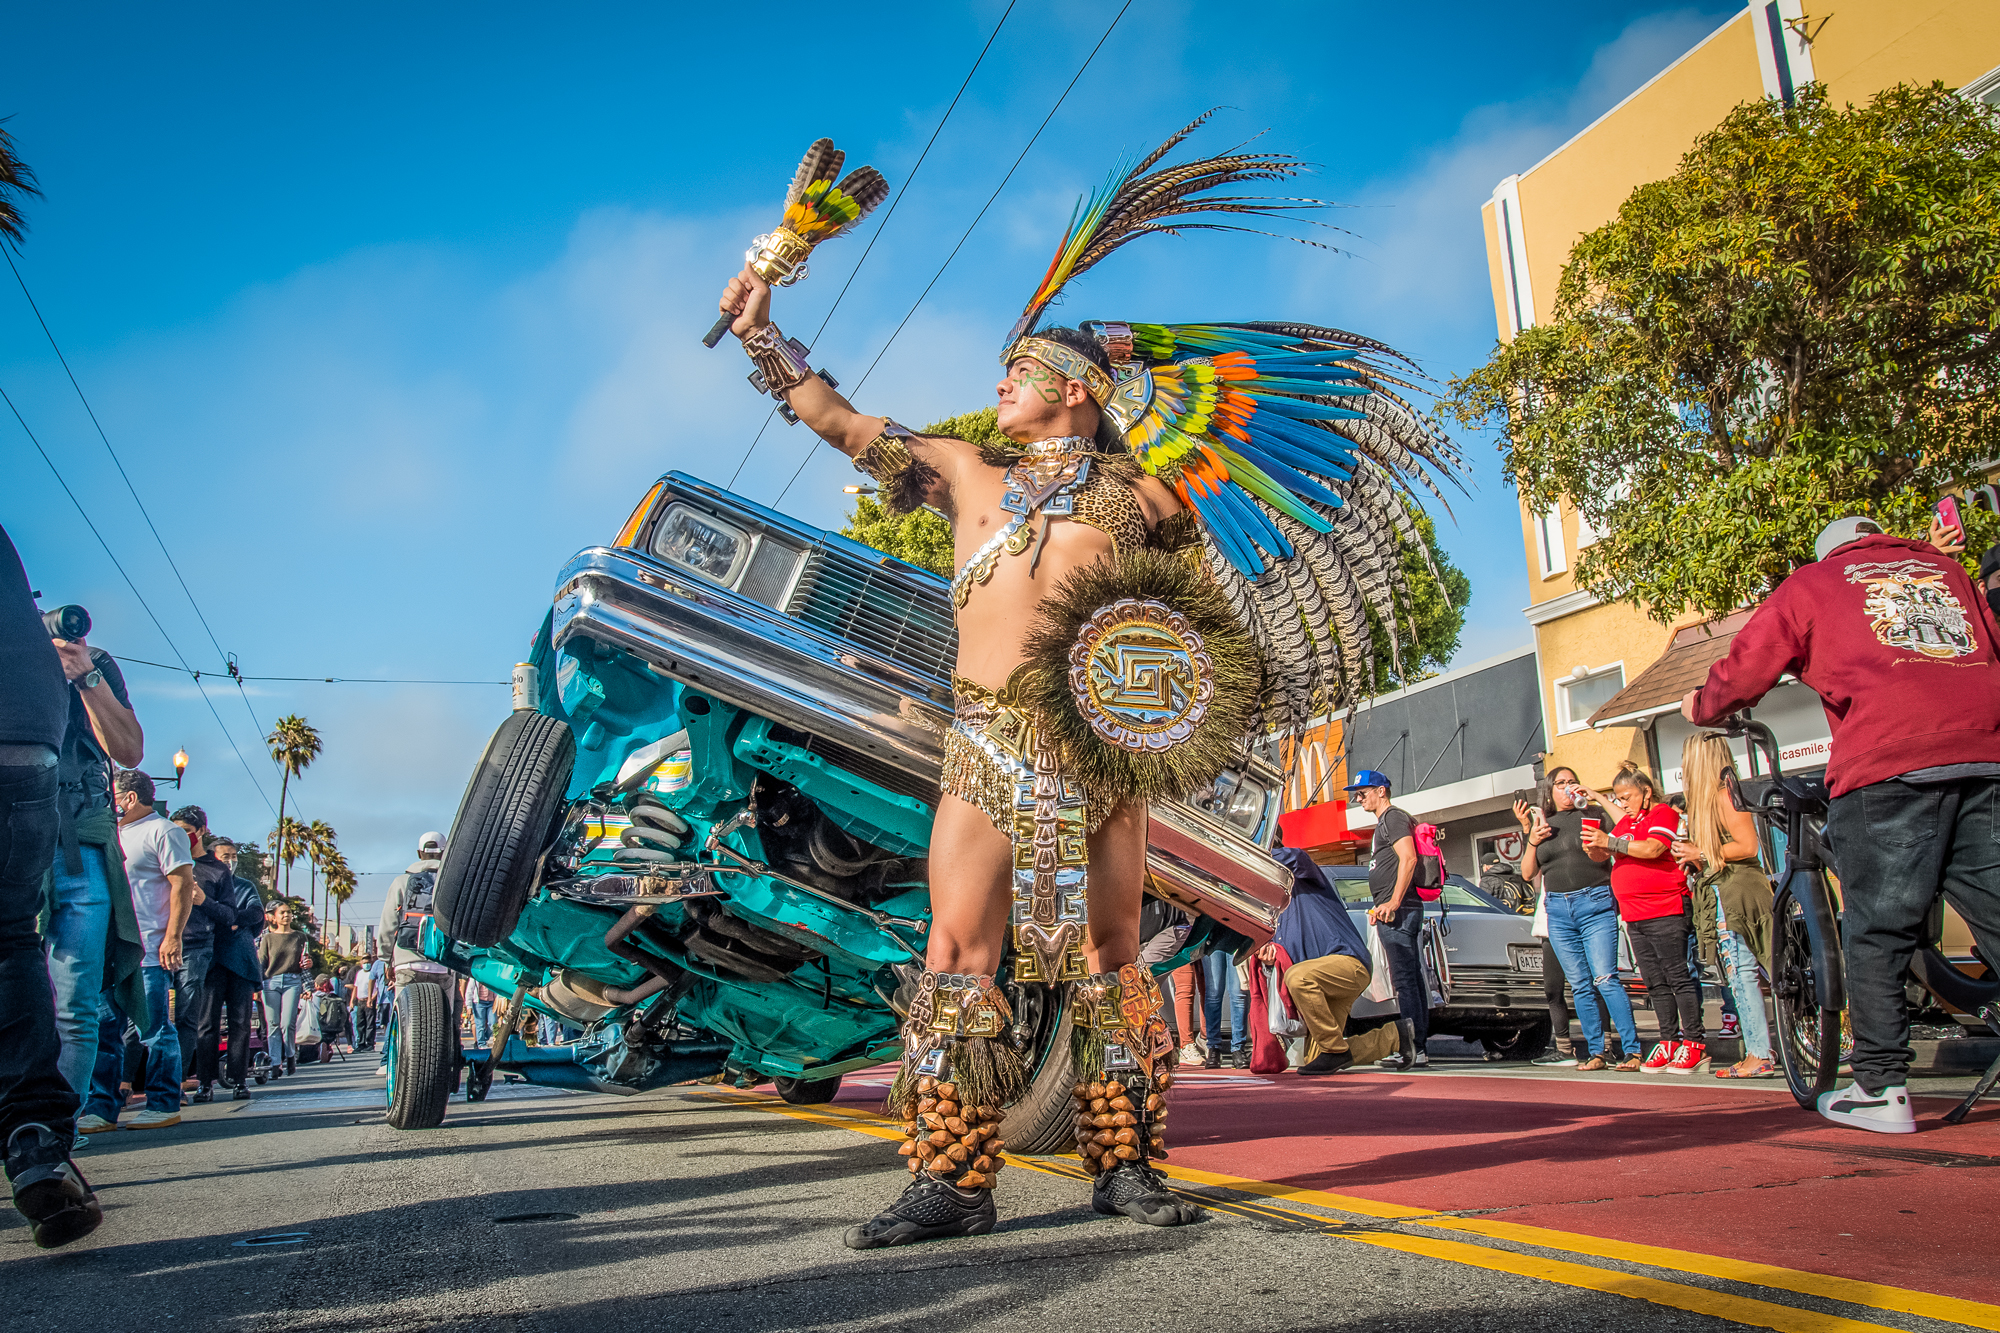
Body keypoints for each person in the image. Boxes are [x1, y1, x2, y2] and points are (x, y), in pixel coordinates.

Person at [715, 122, 1460, 1249]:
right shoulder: (963, 472)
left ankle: (1126, 1165)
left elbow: (1224, 591)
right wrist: (761, 329)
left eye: (1018, 372)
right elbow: (835, 416)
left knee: (1112, 964)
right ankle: (951, 1178)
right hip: (984, 744)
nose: (999, 384)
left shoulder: (1149, 501)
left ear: (1074, 390)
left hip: (1098, 758)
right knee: (955, 954)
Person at [1683, 515, 2000, 1132]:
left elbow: (1746, 668)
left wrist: (1703, 704)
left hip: (1888, 761)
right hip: (1984, 752)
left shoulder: (1814, 582)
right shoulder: (1946, 572)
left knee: (1877, 928)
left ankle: (1881, 1087)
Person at [0, 524, 103, 1247]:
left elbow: (128, 745)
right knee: (9, 940)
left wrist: (89, 675)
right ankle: (35, 1142)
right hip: (22, 736)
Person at [42, 593, 145, 1118]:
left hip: (80, 845)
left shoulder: (94, 663)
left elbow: (128, 750)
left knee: (74, 1006)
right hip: (18, 844)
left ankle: (57, 1133)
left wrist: (85, 676)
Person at [76, 770, 195, 1132]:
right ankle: (102, 1108)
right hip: (108, 948)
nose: (106, 802)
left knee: (153, 1028)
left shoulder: (164, 831)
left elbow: (182, 884)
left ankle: (163, 1103)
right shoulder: (110, 833)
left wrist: (172, 937)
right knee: (104, 1029)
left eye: (111, 795)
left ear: (129, 797)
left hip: (148, 948)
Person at [1515, 768, 1640, 1072]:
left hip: (1595, 901)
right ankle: (1596, 1052)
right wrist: (1531, 839)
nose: (1567, 787)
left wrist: (1597, 796)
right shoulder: (1545, 824)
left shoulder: (1593, 814)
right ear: (1550, 790)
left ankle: (1632, 1051)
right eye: (1561, 783)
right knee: (1580, 985)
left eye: (1572, 782)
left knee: (1605, 979)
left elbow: (1625, 826)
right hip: (1558, 910)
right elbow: (1528, 873)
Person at [1583, 765, 1705, 1073]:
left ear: (1646, 792)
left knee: (1677, 976)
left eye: (1627, 797)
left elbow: (1653, 849)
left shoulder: (1662, 813)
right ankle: (1669, 1039)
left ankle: (1695, 1042)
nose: (1622, 803)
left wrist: (1610, 842)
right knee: (1655, 982)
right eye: (1618, 798)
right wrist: (1595, 847)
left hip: (1665, 908)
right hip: (1634, 914)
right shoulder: (1627, 822)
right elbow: (1607, 849)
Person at [1672, 734, 1775, 1079]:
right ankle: (1758, 1051)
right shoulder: (1712, 800)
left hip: (1735, 894)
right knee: (1743, 975)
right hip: (1727, 890)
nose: (1683, 766)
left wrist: (1700, 852)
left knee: (1742, 975)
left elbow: (1747, 846)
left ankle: (1759, 1054)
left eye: (1687, 758)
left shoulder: (1723, 796)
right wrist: (1697, 858)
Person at [1261, 846, 1375, 1075]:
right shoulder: (1271, 912)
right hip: (1320, 980)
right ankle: (1395, 1037)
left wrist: (1255, 851)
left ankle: (1335, 1050)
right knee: (1316, 1057)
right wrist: (1269, 961)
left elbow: (1297, 857)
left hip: (1347, 962)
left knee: (1298, 977)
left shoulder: (1301, 877)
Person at [1346, 770, 1430, 1070]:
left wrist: (1393, 902)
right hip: (1396, 910)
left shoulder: (1393, 817)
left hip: (1400, 910)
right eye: (1357, 794)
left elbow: (1409, 858)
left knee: (1405, 980)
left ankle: (1414, 1047)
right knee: (1410, 978)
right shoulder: (1386, 822)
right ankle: (1417, 1045)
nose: (1359, 798)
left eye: (1363, 792)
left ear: (1381, 791)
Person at [378, 830, 460, 1070]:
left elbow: (388, 925)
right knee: (444, 1019)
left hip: (407, 961)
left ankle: (394, 1065)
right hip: (443, 963)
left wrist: (386, 959)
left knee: (404, 1019)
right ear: (444, 853)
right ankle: (445, 1065)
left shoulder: (401, 882)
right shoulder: (453, 882)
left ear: (418, 853)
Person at [168, 808, 234, 1101]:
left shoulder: (217, 870)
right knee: (147, 1017)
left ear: (202, 831)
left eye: (185, 830)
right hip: (158, 943)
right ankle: (128, 1081)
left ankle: (174, 1084)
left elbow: (229, 915)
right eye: (175, 830)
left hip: (196, 947)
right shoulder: (165, 858)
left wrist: (204, 901)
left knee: (186, 1016)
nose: (180, 836)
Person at [195, 834, 264, 1099]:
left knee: (240, 1023)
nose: (231, 861)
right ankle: (204, 1082)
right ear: (212, 857)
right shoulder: (203, 882)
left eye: (234, 857)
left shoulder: (245, 886)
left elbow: (256, 914)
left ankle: (239, 1080)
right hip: (210, 960)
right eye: (226, 857)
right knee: (206, 1024)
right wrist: (228, 919)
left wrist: (231, 918)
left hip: (241, 962)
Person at [257, 903, 314, 1077]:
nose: (286, 915)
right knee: (272, 1023)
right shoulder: (267, 938)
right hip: (270, 982)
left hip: (292, 981)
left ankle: (290, 1055)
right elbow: (261, 962)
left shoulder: (300, 936)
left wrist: (309, 967)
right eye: (282, 913)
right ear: (274, 916)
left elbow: (305, 960)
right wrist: (256, 985)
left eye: (288, 912)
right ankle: (275, 1063)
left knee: (287, 1023)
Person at [350, 949, 382, 1051]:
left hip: (369, 1001)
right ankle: (361, 1044)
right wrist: (352, 1000)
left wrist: (371, 999)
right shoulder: (359, 973)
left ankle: (369, 1044)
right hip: (360, 1001)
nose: (366, 964)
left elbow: (377, 989)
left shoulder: (372, 973)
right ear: (361, 962)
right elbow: (356, 987)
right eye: (364, 961)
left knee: (370, 1023)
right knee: (360, 1023)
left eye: (368, 962)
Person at [469, 980, 496, 1047]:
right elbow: (469, 990)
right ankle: (481, 1043)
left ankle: (484, 1037)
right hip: (479, 1003)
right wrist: (469, 1006)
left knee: (493, 1024)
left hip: (492, 1002)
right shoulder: (475, 977)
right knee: (480, 1025)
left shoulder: (493, 976)